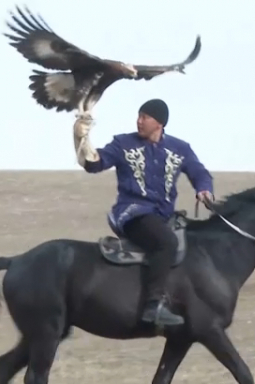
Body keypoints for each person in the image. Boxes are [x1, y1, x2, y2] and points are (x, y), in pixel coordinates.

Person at [73, 98, 214, 327]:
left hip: (164, 216)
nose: (139, 121)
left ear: (159, 123)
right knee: (166, 242)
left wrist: (204, 190)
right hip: (132, 213)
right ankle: (153, 306)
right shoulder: (123, 144)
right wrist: (81, 139)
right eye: (138, 116)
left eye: (145, 117)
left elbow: (199, 172)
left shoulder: (180, 149)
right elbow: (96, 163)